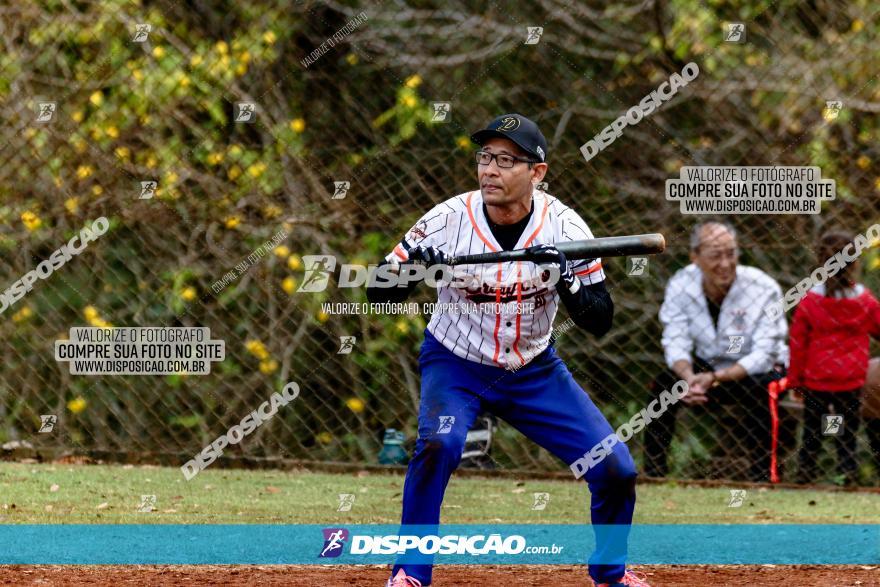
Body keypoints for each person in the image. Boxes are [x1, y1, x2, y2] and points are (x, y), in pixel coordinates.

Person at [367, 113, 649, 587]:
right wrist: (415, 271)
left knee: (616, 468)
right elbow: (376, 292)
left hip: (533, 370)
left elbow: (600, 319)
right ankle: (409, 572)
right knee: (439, 444)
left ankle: (611, 574)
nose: (489, 170)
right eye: (485, 157)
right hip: (456, 362)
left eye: (505, 160)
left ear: (536, 172)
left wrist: (567, 277)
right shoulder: (446, 220)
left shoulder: (565, 226)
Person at [643, 221, 788, 481]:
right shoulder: (681, 284)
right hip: (705, 371)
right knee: (664, 384)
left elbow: (765, 352)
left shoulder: (763, 287)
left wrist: (717, 378)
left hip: (757, 370)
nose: (725, 263)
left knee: (762, 389)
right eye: (715, 255)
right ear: (695, 257)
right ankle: (654, 476)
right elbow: (675, 339)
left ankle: (763, 478)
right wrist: (689, 379)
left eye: (730, 253)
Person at [788, 230, 880, 485]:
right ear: (855, 263)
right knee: (845, 433)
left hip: (817, 380)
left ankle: (805, 476)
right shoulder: (865, 301)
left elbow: (798, 345)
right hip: (850, 381)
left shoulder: (809, 301)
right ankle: (846, 475)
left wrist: (795, 382)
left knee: (812, 432)